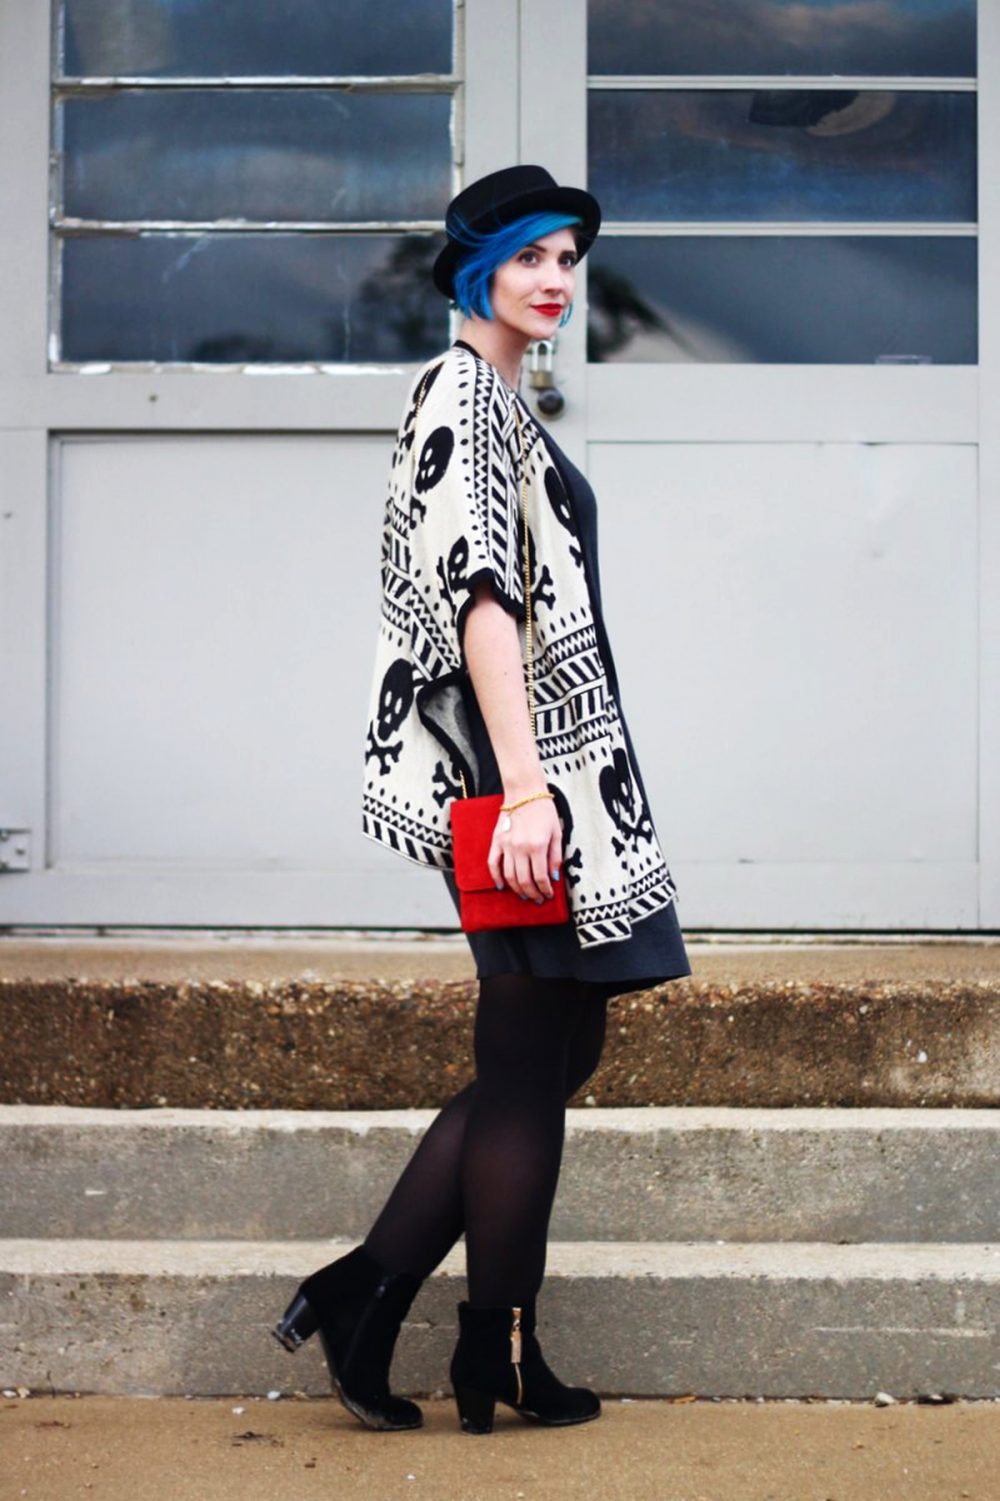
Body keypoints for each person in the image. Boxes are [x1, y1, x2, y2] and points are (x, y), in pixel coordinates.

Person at [273, 165, 692, 1435]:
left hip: (552, 778)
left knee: (553, 1047)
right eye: (531, 258)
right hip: (521, 786)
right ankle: (477, 1344)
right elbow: (479, 599)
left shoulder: (502, 395)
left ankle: (379, 1299)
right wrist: (524, 790)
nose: (556, 278)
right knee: (525, 1061)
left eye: (569, 257)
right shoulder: (462, 391)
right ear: (476, 269)